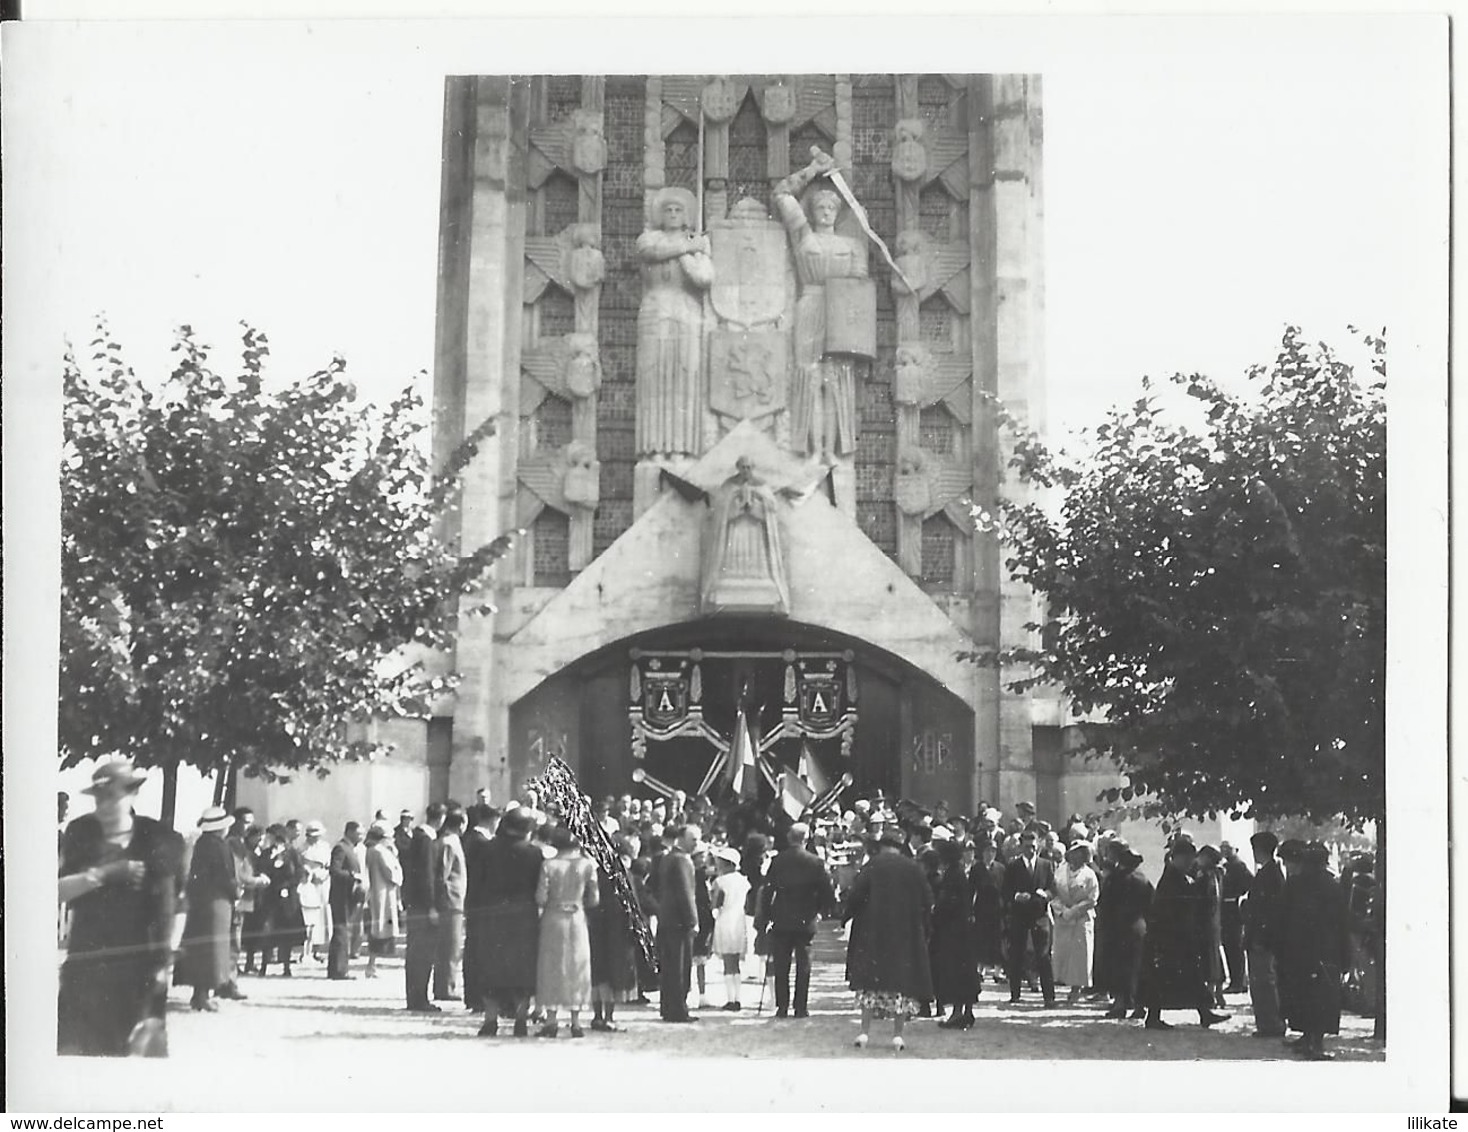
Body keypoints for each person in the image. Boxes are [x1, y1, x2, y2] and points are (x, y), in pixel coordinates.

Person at [58, 760, 182, 1056]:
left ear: (132, 795)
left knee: (136, 1061)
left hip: (140, 969)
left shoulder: (156, 838)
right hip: (85, 964)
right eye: (99, 798)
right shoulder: (80, 833)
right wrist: (105, 873)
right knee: (74, 1054)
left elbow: (177, 906)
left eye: (112, 796)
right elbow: (57, 890)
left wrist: (166, 963)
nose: (104, 805)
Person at [771, 147, 870, 459]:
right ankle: (809, 447)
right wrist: (812, 170)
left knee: (836, 381)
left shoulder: (852, 245)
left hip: (841, 312)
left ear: (838, 213)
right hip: (810, 305)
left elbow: (859, 289)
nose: (825, 211)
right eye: (820, 206)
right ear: (812, 211)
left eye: (831, 207)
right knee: (808, 378)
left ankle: (830, 449)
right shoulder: (804, 237)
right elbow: (782, 195)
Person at [635, 185, 714, 458]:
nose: (672, 214)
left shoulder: (695, 245)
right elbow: (652, 252)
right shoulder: (649, 239)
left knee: (684, 379)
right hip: (656, 310)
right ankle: (654, 448)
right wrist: (689, 246)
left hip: (686, 313)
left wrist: (689, 252)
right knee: (654, 379)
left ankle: (683, 449)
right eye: (667, 209)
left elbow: (704, 278)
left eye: (678, 210)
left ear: (686, 216)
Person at [843, 827, 934, 1051]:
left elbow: (855, 895)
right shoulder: (912, 868)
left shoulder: (872, 865)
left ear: (881, 845)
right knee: (901, 984)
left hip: (873, 932)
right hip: (904, 933)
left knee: (869, 985)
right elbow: (927, 899)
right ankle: (897, 1035)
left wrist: (846, 915)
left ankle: (864, 1032)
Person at [1139, 835, 1230, 1030]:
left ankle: (1204, 1012)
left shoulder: (1177, 876)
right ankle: (1154, 1017)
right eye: (1187, 858)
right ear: (1178, 857)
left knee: (1191, 976)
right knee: (1164, 978)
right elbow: (1179, 905)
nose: (1190, 862)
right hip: (1168, 938)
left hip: (1176, 937)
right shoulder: (1172, 877)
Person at [1276, 841, 1352, 1059]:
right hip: (1326, 951)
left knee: (1301, 995)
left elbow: (1282, 918)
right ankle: (1315, 1043)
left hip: (1297, 950)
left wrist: (1281, 948)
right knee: (1322, 998)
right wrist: (1345, 955)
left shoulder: (1294, 884)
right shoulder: (1332, 886)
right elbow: (1342, 923)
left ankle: (1308, 1038)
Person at [755, 822, 835, 1020]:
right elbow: (827, 891)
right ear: (806, 839)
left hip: (781, 918)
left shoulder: (778, 860)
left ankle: (782, 1007)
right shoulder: (816, 862)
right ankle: (801, 1007)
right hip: (805, 920)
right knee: (804, 964)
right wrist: (821, 911)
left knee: (781, 964)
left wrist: (765, 916)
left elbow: (768, 890)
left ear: (789, 838)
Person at [475, 807, 543, 1037]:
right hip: (524, 918)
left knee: (491, 969)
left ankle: (490, 1019)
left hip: (492, 916)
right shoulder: (534, 853)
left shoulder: (487, 849)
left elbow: (477, 882)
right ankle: (521, 1020)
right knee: (522, 971)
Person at [533, 826, 600, 1038]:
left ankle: (551, 1019)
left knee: (551, 966)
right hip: (577, 916)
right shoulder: (587, 865)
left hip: (553, 917)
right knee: (576, 966)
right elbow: (595, 899)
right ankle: (576, 1021)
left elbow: (540, 897)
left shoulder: (549, 865)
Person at [180, 805, 238, 1011]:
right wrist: (235, 894)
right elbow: (225, 876)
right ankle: (203, 995)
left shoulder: (201, 844)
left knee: (201, 948)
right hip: (217, 902)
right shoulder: (219, 847)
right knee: (213, 950)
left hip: (200, 902)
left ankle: (200, 993)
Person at [589, 836, 641, 1031]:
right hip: (617, 930)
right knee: (613, 974)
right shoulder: (624, 875)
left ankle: (597, 1015)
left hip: (596, 927)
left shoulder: (596, 872)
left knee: (598, 973)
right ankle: (609, 1017)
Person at [1096, 845, 1153, 1019]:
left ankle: (1120, 1004)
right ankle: (1139, 1006)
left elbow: (1104, 904)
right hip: (1138, 927)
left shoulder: (1114, 879)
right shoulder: (1143, 879)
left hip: (1117, 929)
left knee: (1117, 967)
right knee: (1137, 968)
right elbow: (1151, 905)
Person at [1002, 825, 1057, 1006]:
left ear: (1038, 847)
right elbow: (1005, 890)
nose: (1030, 850)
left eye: (1033, 847)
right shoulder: (1012, 866)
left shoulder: (1046, 865)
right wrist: (1016, 896)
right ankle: (1015, 994)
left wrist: (1046, 895)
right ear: (1021, 847)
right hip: (1019, 915)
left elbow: (1053, 889)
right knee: (1017, 954)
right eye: (1027, 847)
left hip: (1039, 915)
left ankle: (1049, 997)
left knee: (1043, 955)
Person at [930, 837, 979, 1029]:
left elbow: (948, 903)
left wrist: (936, 911)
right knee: (965, 971)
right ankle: (966, 1012)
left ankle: (958, 1013)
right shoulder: (958, 873)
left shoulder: (952, 875)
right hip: (963, 930)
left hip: (953, 931)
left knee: (956, 972)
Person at [401, 802, 445, 1012]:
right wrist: (432, 906)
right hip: (423, 905)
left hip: (414, 903)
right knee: (423, 952)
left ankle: (414, 997)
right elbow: (427, 876)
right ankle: (420, 998)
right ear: (441, 818)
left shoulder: (416, 838)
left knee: (415, 952)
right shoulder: (427, 841)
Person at [1244, 831, 1287, 1037]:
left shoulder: (1270, 875)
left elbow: (1269, 911)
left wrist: (1261, 936)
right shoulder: (1268, 873)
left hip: (1263, 937)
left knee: (1264, 982)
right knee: (1260, 981)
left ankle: (1271, 1023)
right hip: (1258, 935)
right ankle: (1266, 1022)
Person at [655, 824, 700, 1023]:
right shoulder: (682, 860)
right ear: (681, 839)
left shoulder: (667, 858)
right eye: (693, 839)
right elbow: (686, 893)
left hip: (667, 918)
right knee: (680, 967)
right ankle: (678, 1010)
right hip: (679, 921)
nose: (696, 844)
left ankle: (668, 1007)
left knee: (669, 966)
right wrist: (692, 920)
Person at [1051, 841, 1100, 1005]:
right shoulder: (1060, 871)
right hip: (1063, 918)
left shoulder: (1089, 874)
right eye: (1075, 852)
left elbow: (1092, 898)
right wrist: (1062, 910)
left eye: (1081, 852)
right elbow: (1053, 892)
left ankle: (1076, 988)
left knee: (1080, 955)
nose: (1077, 856)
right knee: (1063, 952)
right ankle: (1062, 981)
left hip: (1081, 919)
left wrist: (1075, 911)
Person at [461, 803, 499, 1008]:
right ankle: (477, 996)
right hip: (481, 902)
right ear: (491, 820)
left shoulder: (471, 839)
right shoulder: (481, 842)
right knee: (478, 948)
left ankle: (473, 995)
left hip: (473, 901)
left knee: (473, 946)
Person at [257, 824, 306, 977]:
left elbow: (298, 873)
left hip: (287, 898)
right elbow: (260, 869)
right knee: (267, 931)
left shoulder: (292, 853)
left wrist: (287, 886)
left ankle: (286, 966)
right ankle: (264, 966)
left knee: (286, 933)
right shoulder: (266, 854)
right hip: (269, 897)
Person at [710, 845, 752, 1011]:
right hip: (739, 920)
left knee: (728, 962)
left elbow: (715, 903)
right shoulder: (744, 881)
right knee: (736, 962)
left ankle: (730, 999)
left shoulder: (719, 882)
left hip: (725, 920)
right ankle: (738, 998)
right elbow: (747, 903)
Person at [435, 808, 468, 1002]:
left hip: (456, 899)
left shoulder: (453, 841)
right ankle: (446, 986)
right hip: (450, 900)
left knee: (453, 945)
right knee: (450, 945)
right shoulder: (448, 843)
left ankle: (447, 984)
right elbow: (443, 874)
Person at [363, 822, 402, 979]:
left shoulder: (372, 851)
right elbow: (392, 873)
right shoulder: (379, 852)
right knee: (379, 927)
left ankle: (372, 964)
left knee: (378, 927)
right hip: (383, 893)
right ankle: (371, 965)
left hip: (380, 892)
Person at [1195, 843, 1228, 1008]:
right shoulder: (1218, 874)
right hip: (1215, 920)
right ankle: (1219, 993)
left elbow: (1207, 900)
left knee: (1209, 958)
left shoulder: (1207, 877)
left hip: (1206, 921)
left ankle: (1211, 995)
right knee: (1215, 954)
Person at [969, 836, 1006, 980]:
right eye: (987, 851)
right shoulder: (976, 868)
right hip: (982, 907)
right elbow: (971, 890)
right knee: (981, 938)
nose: (990, 854)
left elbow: (1005, 889)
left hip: (998, 908)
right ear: (982, 852)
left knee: (998, 939)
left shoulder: (1001, 868)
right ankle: (981, 969)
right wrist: (971, 911)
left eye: (993, 851)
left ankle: (998, 971)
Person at [1219, 840, 1253, 993]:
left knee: (1235, 945)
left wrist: (1238, 897)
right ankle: (1235, 980)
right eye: (1223, 848)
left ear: (1235, 849)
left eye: (1228, 848)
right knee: (1228, 945)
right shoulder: (1224, 867)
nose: (1225, 851)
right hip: (1224, 910)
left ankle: (1239, 982)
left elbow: (1250, 883)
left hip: (1233, 909)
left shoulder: (1239, 866)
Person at [298, 821, 332, 962]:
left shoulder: (325, 847)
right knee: (309, 916)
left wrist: (325, 874)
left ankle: (318, 949)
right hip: (309, 884)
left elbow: (329, 864)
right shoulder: (302, 849)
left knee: (322, 916)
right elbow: (301, 866)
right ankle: (306, 950)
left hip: (323, 883)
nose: (315, 838)